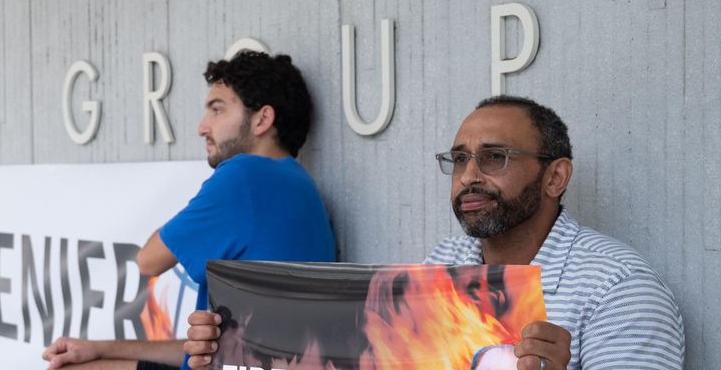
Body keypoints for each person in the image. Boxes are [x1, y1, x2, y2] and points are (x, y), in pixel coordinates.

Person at [182, 96, 685, 370]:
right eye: (459, 159)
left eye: (495, 158)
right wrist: (234, 353)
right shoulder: (446, 262)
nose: (469, 175)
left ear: (555, 177)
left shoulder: (620, 290)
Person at [42, 51, 337, 370]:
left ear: (262, 120)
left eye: (218, 110)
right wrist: (99, 348)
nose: (202, 127)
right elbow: (208, 354)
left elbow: (149, 260)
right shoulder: (299, 185)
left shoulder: (245, 176)